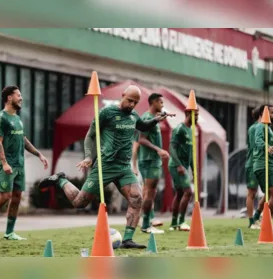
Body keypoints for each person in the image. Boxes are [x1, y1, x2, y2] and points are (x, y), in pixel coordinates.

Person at [39, 85, 174, 249]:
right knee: (80, 202)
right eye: (130, 100)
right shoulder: (107, 113)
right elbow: (90, 135)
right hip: (105, 166)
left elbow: (143, 126)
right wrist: (89, 156)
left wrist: (156, 120)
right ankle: (60, 180)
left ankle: (128, 239)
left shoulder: (133, 115)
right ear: (122, 95)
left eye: (135, 103)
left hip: (124, 168)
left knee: (136, 198)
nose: (132, 105)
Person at [0, 86, 49, 240]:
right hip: (6, 165)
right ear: (9, 98)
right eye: (18, 95)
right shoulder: (0, 118)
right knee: (4, 196)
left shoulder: (17, 119)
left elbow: (23, 139)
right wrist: (4, 163)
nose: (21, 98)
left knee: (16, 197)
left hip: (19, 165)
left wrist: (38, 154)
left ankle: (9, 232)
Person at [137, 93, 170, 234]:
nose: (162, 105)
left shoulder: (151, 118)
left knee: (147, 192)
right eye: (161, 102)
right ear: (154, 102)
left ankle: (146, 221)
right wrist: (158, 150)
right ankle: (146, 225)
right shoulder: (147, 118)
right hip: (150, 160)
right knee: (150, 192)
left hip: (149, 159)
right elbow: (141, 139)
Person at [252, 104, 273, 237]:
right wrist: (266, 148)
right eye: (272, 113)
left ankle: (259, 220)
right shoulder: (261, 126)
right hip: (263, 165)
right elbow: (258, 140)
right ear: (264, 114)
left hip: (267, 164)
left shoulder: (268, 128)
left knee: (271, 194)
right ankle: (267, 225)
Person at [168, 108, 199, 231]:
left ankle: (174, 223)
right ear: (187, 114)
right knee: (188, 192)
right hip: (176, 165)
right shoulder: (179, 128)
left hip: (184, 167)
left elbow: (191, 154)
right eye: (195, 115)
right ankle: (181, 222)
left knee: (180, 193)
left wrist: (194, 170)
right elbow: (172, 148)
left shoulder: (191, 131)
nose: (197, 117)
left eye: (197, 115)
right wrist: (179, 165)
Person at [132, 131, 164, 228]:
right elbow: (134, 150)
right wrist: (134, 167)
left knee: (148, 191)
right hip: (142, 165)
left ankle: (147, 217)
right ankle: (140, 218)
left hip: (144, 165)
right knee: (146, 192)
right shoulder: (139, 134)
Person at [245, 106, 261, 230]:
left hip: (261, 163)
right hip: (254, 163)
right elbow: (256, 147)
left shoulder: (263, 128)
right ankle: (251, 222)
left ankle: (257, 217)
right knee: (252, 193)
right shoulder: (254, 128)